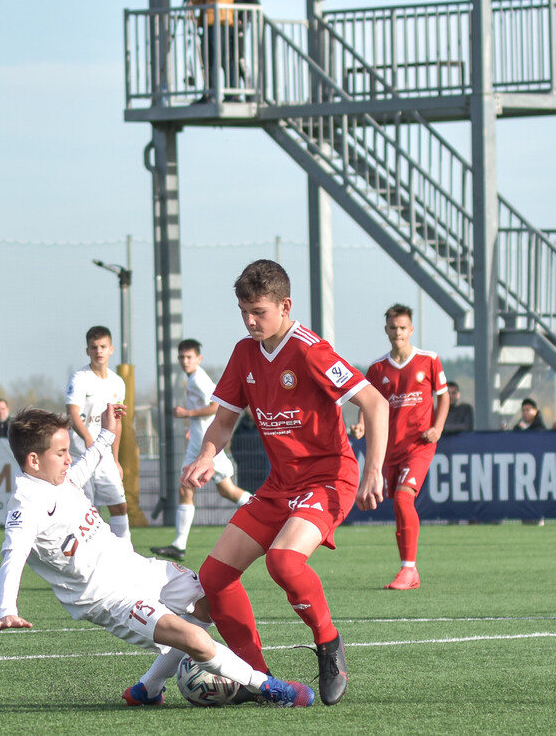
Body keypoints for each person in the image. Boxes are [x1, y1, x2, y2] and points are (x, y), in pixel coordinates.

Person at [0, 403, 313, 708]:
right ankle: (269, 687)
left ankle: (150, 687)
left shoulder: (61, 479)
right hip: (110, 599)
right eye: (60, 453)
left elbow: (91, 457)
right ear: (33, 460)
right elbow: (12, 556)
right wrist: (7, 609)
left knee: (208, 600)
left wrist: (107, 431)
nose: (69, 458)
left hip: (136, 569)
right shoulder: (25, 509)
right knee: (194, 639)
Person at [182, 259, 389, 707]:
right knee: (214, 578)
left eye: (258, 311)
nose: (250, 321)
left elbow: (374, 403)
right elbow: (223, 422)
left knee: (284, 562)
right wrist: (205, 455)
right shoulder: (244, 353)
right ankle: (256, 678)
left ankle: (329, 645)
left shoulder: (311, 350)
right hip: (281, 485)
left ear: (285, 305)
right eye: (243, 312)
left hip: (329, 478)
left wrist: (374, 469)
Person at [356, 304, 449, 591]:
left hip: (419, 444)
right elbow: (366, 400)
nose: (398, 332)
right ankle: (409, 571)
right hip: (389, 447)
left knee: (404, 498)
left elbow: (443, 397)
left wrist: (437, 427)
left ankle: (408, 569)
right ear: (387, 330)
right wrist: (361, 424)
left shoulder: (429, 359)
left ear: (411, 330)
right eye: (393, 327)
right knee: (397, 506)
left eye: (403, 327)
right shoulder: (378, 368)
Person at [151, 339, 253, 562]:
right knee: (187, 487)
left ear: (199, 358)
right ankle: (178, 545)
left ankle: (268, 516)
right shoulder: (192, 379)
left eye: (189, 357)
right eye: (182, 357)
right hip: (198, 442)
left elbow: (216, 406)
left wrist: (187, 414)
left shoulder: (199, 379)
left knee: (227, 490)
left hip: (208, 446)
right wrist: (192, 427)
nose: (185, 361)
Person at [66, 325, 131, 541]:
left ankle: (126, 556)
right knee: (86, 513)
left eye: (103, 346)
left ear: (111, 349)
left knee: (119, 505)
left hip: (105, 458)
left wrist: (116, 459)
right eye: (94, 347)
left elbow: (117, 423)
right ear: (88, 351)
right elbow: (72, 413)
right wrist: (88, 439)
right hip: (81, 456)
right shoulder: (79, 378)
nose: (99, 351)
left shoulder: (117, 382)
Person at [189, 0, 238, 103]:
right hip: (209, 21)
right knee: (209, 59)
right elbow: (195, 1)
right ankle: (209, 92)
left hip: (221, 20)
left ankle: (226, 94)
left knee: (222, 59)